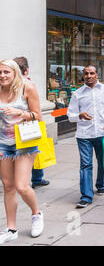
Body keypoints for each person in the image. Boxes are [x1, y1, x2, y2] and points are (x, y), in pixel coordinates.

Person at [0, 59, 44, 244]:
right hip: (3, 143)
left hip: (25, 142)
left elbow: (38, 115)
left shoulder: (28, 87)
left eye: (6, 72)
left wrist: (19, 113)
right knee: (8, 186)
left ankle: (36, 214)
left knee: (21, 186)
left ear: (15, 73)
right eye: (0, 73)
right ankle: (11, 229)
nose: (2, 76)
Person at [67, 65, 104, 209]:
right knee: (85, 164)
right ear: (83, 76)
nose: (89, 76)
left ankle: (101, 184)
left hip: (102, 134)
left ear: (97, 75)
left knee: (102, 161)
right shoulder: (77, 94)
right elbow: (70, 116)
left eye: (92, 73)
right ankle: (86, 196)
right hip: (83, 134)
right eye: (86, 74)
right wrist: (79, 115)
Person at [13, 57, 50, 189]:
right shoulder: (28, 85)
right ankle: (37, 179)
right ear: (26, 70)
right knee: (34, 151)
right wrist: (42, 126)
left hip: (9, 127)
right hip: (27, 126)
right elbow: (36, 111)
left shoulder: (6, 85)